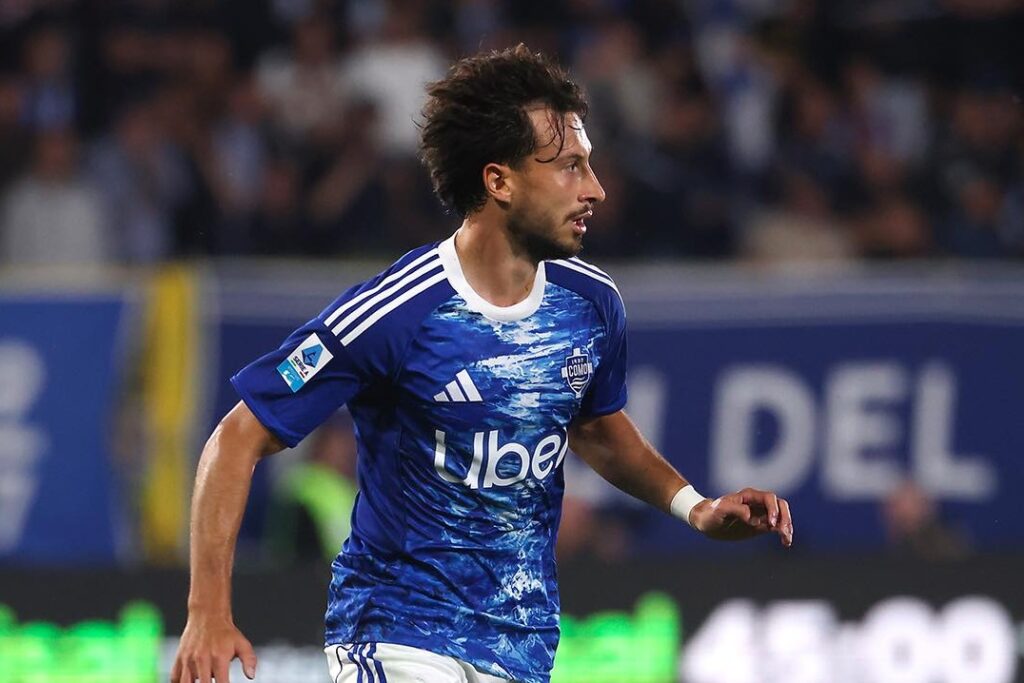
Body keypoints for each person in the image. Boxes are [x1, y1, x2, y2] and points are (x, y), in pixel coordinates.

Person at [171, 44, 794, 683]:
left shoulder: (591, 304)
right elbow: (236, 437)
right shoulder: (396, 312)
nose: (596, 189)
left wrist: (695, 507)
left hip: (520, 647)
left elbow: (594, 426)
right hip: (396, 632)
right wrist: (206, 611)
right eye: (571, 168)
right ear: (499, 181)